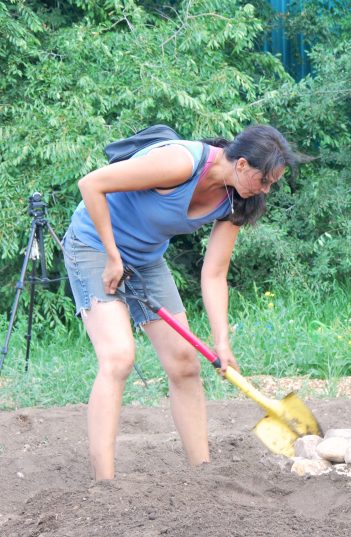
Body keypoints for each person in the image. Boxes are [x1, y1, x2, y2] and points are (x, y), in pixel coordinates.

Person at [63, 125, 309, 480]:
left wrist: (222, 342)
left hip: (145, 258)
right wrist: (114, 256)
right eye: (265, 180)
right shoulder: (181, 163)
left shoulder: (237, 200)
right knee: (118, 357)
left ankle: (203, 474)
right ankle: (105, 486)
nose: (266, 190)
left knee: (185, 363)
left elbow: (214, 273)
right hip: (94, 245)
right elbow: (91, 185)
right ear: (242, 164)